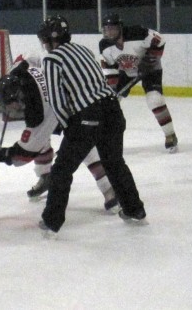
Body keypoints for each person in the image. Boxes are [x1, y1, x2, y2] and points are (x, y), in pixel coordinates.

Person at [36, 14, 146, 238]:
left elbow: (57, 99)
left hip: (88, 115)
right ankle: (135, 210)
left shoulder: (52, 59)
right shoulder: (84, 50)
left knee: (62, 170)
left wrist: (68, 126)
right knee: (114, 162)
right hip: (113, 110)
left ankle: (51, 221)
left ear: (50, 39)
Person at [0, 57, 120, 213]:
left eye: (12, 105)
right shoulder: (23, 72)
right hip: (74, 96)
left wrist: (6, 154)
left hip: (80, 109)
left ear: (20, 96)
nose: (12, 109)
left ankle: (109, 189)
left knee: (84, 147)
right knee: (46, 140)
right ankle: (46, 177)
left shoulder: (38, 113)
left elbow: (26, 153)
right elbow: (32, 58)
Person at [99, 13, 178, 153]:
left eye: (113, 28)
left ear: (120, 28)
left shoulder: (137, 33)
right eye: (107, 29)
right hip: (126, 73)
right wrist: (112, 91)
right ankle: (104, 140)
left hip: (150, 70)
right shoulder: (104, 45)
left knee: (155, 99)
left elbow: (160, 40)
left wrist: (149, 61)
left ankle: (170, 134)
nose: (109, 32)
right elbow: (111, 69)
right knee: (109, 103)